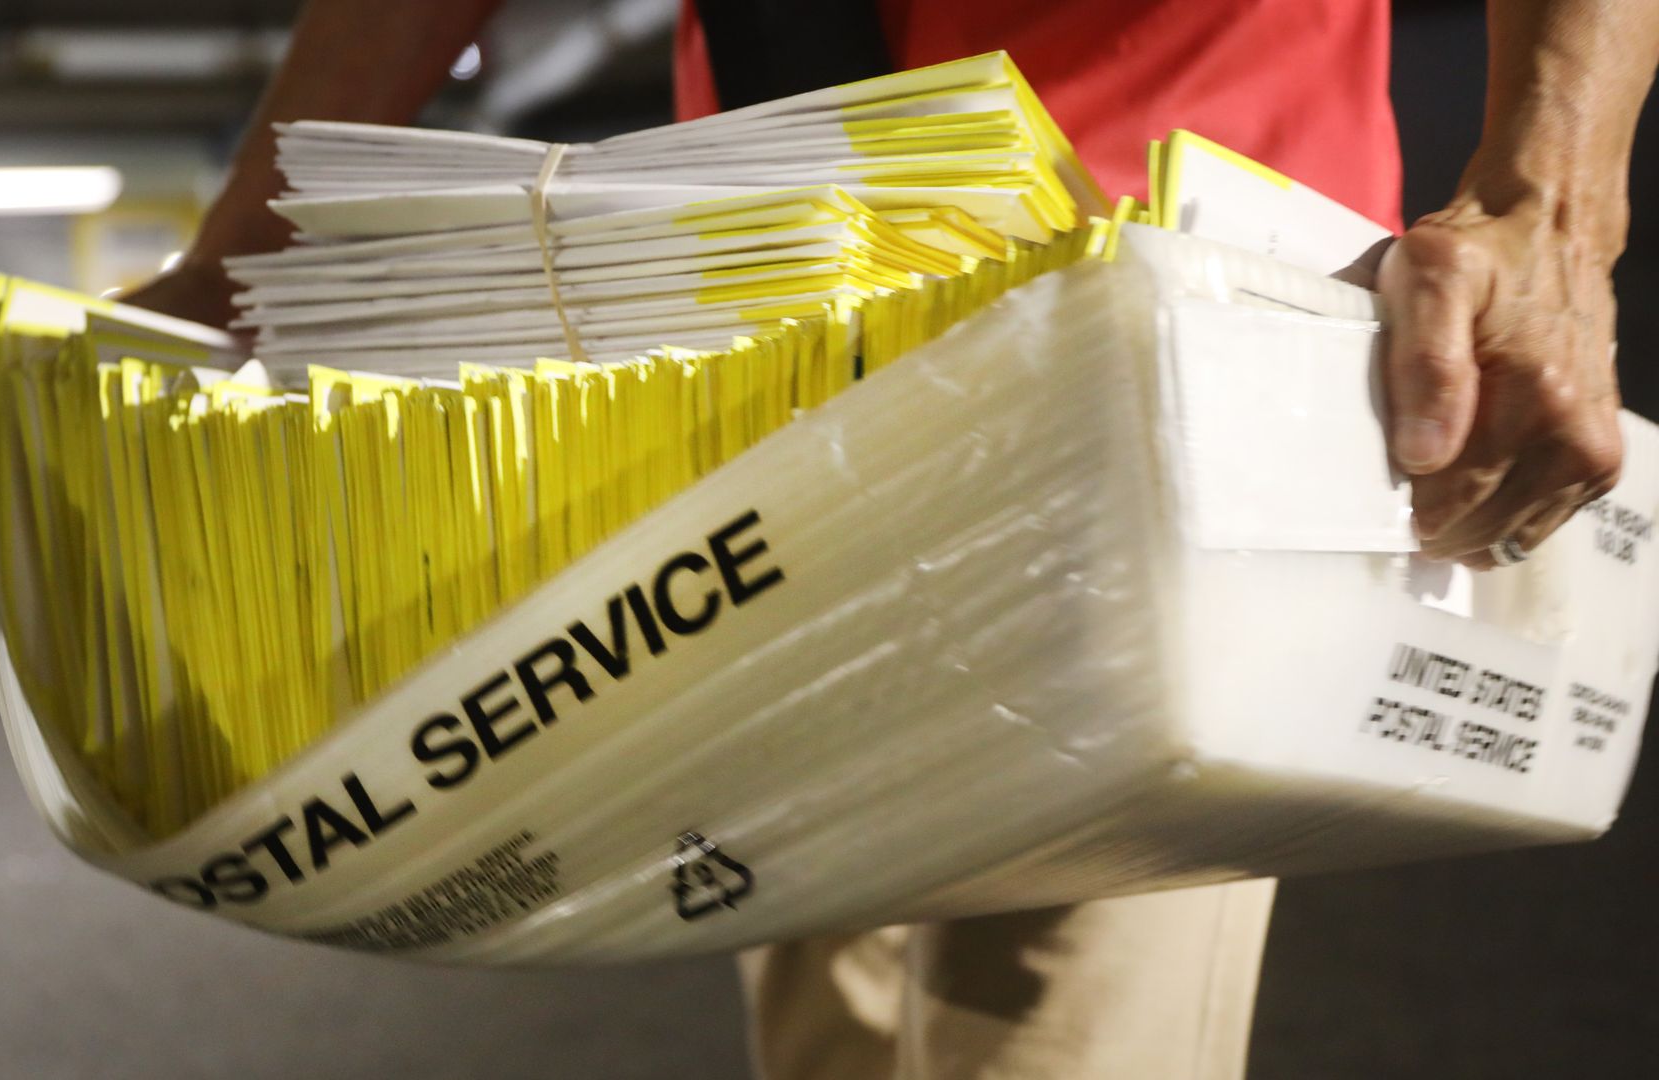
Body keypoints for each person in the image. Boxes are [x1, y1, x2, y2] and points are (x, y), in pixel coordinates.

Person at [126, 2, 1659, 1076]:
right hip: (766, 333)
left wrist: (1550, 209)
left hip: (1148, 324)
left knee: (1050, 1035)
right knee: (823, 998)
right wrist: (238, 258)